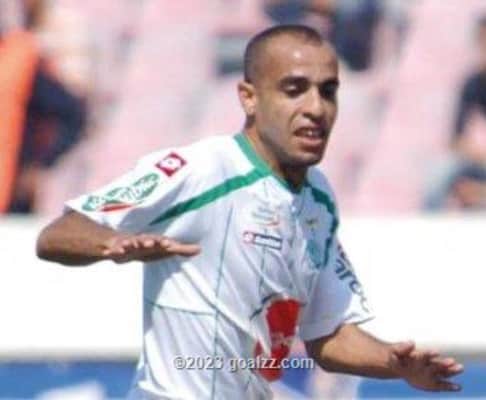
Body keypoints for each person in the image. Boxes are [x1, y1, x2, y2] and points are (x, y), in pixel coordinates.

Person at [37, 25, 463, 399]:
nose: (316, 108)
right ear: (249, 98)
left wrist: (394, 363)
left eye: (328, 91)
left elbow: (328, 334)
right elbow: (57, 235)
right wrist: (112, 244)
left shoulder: (319, 198)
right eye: (294, 90)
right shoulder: (200, 169)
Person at [424, 15, 486, 210]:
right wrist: (476, 154)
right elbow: (455, 139)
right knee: (440, 171)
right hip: (480, 160)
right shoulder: (473, 83)